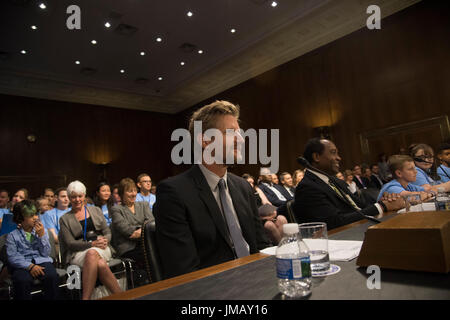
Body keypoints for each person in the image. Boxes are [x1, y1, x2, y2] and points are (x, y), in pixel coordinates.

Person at [154, 100, 270, 279]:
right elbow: (184, 274)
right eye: (231, 133)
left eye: (239, 133)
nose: (240, 139)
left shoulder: (243, 187)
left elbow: (261, 246)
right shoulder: (173, 193)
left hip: (258, 279)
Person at [293, 138, 405, 230]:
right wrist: (381, 207)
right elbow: (333, 222)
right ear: (316, 157)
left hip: (362, 228)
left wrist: (386, 202)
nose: (339, 158)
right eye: (333, 153)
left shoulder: (336, 181)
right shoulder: (307, 187)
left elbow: (360, 206)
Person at [58, 180, 122, 300]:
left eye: (80, 196)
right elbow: (70, 243)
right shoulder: (64, 219)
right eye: (73, 197)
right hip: (77, 253)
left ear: (84, 196)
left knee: (93, 254)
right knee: (99, 263)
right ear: (69, 198)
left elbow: (107, 231)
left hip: (102, 248)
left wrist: (105, 240)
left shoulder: (96, 210)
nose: (77, 200)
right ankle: (122, 296)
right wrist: (91, 244)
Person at [5, 200, 58, 300]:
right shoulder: (12, 235)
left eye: (35, 214)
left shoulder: (42, 230)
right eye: (31, 215)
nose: (35, 218)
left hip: (41, 260)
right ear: (20, 218)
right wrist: (30, 266)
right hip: (22, 265)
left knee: (51, 276)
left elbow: (46, 253)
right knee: (22, 280)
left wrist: (41, 236)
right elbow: (13, 257)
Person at [110, 178, 154, 268]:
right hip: (128, 248)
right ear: (122, 193)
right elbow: (127, 231)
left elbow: (151, 225)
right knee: (150, 257)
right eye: (130, 191)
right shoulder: (116, 209)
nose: (134, 194)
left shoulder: (143, 205)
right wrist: (144, 229)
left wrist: (138, 231)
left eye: (134, 191)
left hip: (147, 243)